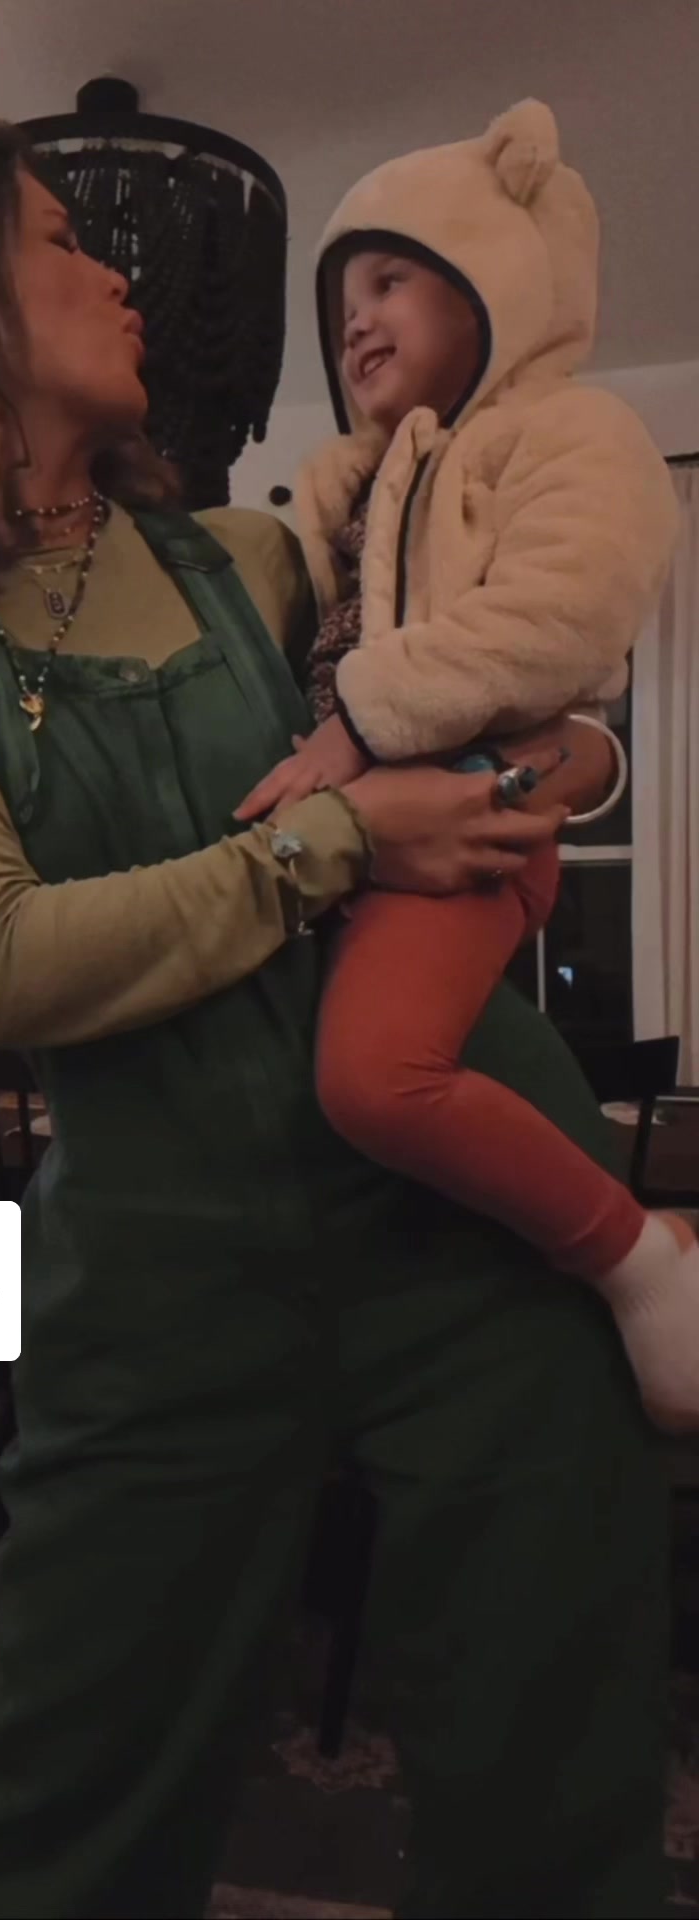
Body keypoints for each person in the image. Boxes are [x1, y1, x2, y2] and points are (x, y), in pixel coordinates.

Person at [0, 114, 670, 1919]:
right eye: (63, 240)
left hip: (478, 1229)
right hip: (162, 1278)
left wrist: (568, 764)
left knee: (561, 1784)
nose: (118, 270)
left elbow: (525, 694)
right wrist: (335, 839)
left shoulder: (258, 560)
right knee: (65, 1817)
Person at [233, 100, 696, 1434]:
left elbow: (562, 615)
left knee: (372, 1080)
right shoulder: (351, 484)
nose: (357, 324)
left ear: (492, 287)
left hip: (472, 823)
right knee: (333, 1097)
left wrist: (360, 723)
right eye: (343, 305)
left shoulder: (571, 434)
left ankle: (638, 1254)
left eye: (392, 281)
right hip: (367, 832)